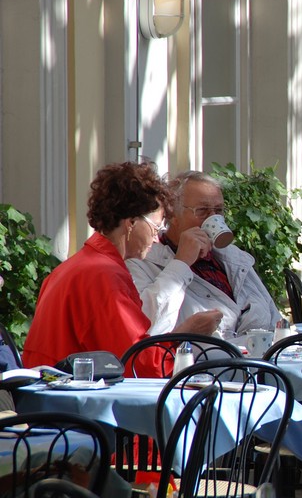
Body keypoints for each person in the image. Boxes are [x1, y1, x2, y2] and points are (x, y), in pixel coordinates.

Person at [22, 161, 214, 377]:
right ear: (131, 223)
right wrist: (185, 335)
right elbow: (138, 363)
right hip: (73, 403)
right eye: (155, 227)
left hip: (45, 397)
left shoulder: (77, 265)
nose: (157, 238)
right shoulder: (103, 275)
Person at [127, 171, 280, 339]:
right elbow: (147, 327)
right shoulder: (142, 261)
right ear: (172, 214)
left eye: (218, 211)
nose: (214, 219)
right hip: (203, 363)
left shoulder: (233, 257)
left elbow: (275, 318)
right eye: (203, 211)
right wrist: (182, 262)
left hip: (261, 361)